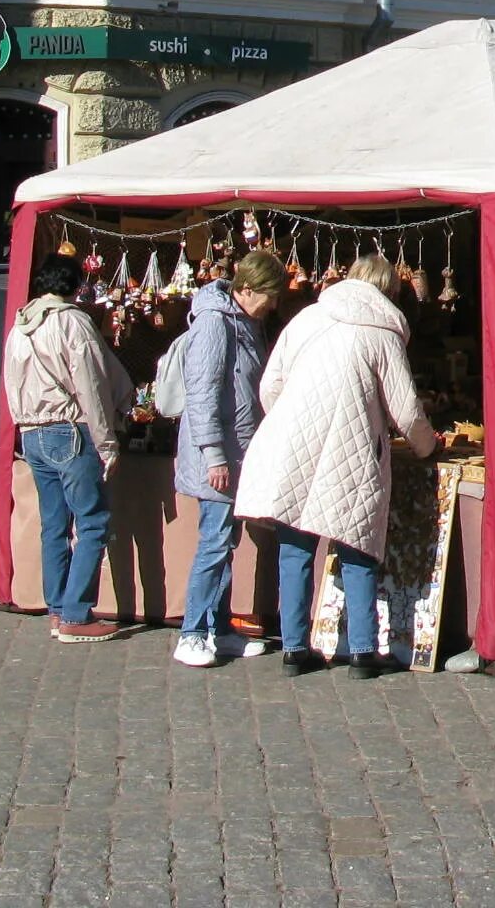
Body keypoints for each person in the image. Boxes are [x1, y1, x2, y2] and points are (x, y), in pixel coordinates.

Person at [236, 252, 436, 678]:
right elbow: (405, 410)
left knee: (295, 549)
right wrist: (426, 447)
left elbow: (270, 385)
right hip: (354, 449)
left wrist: (291, 422)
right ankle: (363, 652)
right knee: (358, 547)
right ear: (389, 292)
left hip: (293, 446)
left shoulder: (308, 317)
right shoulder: (382, 334)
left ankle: (293, 649)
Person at [2, 251, 134, 641]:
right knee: (92, 523)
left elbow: (10, 383)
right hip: (68, 429)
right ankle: (76, 615)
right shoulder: (73, 323)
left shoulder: (20, 326)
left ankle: (58, 608)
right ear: (76, 287)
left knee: (54, 525)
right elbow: (91, 387)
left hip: (32, 430)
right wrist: (107, 443)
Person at [172, 246, 286, 667]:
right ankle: (192, 632)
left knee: (226, 541)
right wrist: (214, 455)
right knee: (214, 543)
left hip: (237, 451)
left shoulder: (245, 323)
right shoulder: (215, 324)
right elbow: (202, 394)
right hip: (218, 454)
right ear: (248, 289)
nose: (272, 305)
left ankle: (217, 628)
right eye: (269, 296)